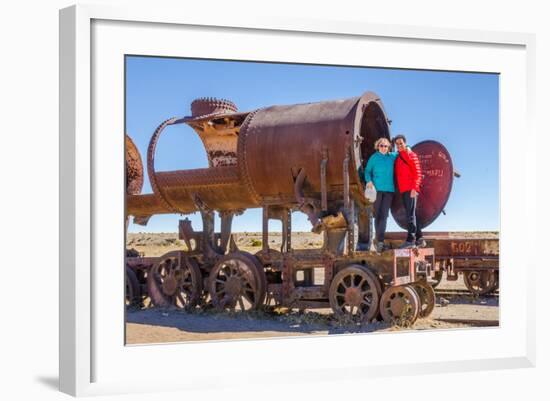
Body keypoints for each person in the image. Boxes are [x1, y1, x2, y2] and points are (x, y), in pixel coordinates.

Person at [393, 134, 426, 248]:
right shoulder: (398, 157)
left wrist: (415, 188)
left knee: (410, 215)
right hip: (403, 189)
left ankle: (410, 240)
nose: (399, 145)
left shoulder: (411, 155)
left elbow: (418, 173)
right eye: (397, 144)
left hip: (410, 189)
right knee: (411, 213)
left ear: (405, 143)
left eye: (401, 143)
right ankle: (420, 238)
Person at [364, 137, 396, 253]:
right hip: (376, 191)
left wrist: (407, 147)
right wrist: (369, 181)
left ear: (389, 148)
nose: (383, 148)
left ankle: (380, 241)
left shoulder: (392, 157)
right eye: (381, 146)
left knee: (384, 216)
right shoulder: (374, 158)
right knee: (377, 216)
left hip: (389, 191)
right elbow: (367, 171)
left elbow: (403, 154)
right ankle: (378, 240)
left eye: (385, 146)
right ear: (378, 146)